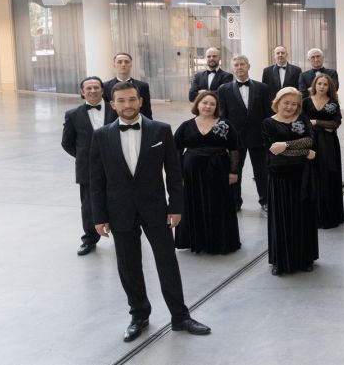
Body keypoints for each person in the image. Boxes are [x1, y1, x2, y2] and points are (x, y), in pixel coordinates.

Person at [89, 81, 210, 342]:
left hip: (156, 208)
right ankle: (139, 316)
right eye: (121, 100)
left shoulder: (161, 130)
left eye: (132, 99)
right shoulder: (101, 136)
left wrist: (175, 207)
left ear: (140, 101)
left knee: (167, 262)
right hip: (119, 210)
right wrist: (98, 216)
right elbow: (96, 180)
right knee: (128, 265)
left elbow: (174, 174)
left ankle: (180, 316)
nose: (127, 105)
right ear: (113, 104)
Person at [173, 91, 241, 254]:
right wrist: (178, 173)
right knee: (194, 204)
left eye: (212, 104)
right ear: (197, 104)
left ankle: (218, 242)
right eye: (205, 103)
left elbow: (234, 148)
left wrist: (233, 171)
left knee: (219, 204)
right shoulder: (186, 126)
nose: (208, 106)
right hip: (192, 173)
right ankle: (197, 241)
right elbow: (176, 150)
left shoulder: (225, 124)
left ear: (217, 107)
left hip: (218, 171)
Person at [262, 87, 319, 275]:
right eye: (286, 103)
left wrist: (285, 145)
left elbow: (310, 141)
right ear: (277, 102)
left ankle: (305, 259)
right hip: (280, 178)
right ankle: (281, 261)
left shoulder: (302, 119)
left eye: (294, 104)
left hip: (303, 176)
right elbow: (273, 151)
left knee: (303, 217)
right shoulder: (268, 123)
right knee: (282, 219)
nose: (290, 107)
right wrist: (304, 153)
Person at [62, 76, 116, 256]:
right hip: (87, 168)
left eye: (96, 87)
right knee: (88, 205)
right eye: (88, 88)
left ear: (102, 90)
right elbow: (67, 143)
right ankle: (90, 239)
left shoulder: (115, 109)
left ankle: (123, 236)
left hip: (115, 165)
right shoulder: (72, 114)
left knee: (119, 200)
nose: (93, 91)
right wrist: (86, 158)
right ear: (82, 92)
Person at [216, 55, 272, 214]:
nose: (239, 67)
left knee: (261, 171)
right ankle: (235, 202)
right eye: (236, 65)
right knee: (235, 171)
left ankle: (265, 200)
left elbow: (268, 113)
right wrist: (225, 138)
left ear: (248, 66)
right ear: (232, 68)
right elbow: (223, 115)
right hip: (235, 137)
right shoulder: (224, 89)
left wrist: (268, 135)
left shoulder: (262, 87)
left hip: (258, 137)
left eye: (242, 64)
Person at [302, 73, 344, 229]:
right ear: (314, 85)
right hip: (310, 142)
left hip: (328, 144)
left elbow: (336, 123)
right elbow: (302, 122)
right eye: (319, 83)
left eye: (325, 84)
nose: (322, 86)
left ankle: (329, 216)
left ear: (329, 87)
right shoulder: (306, 102)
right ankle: (313, 216)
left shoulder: (333, 103)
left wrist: (316, 122)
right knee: (311, 176)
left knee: (328, 175)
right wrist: (323, 125)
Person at [103, 52, 153, 119]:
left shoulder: (143, 86)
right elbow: (105, 112)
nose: (123, 64)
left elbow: (147, 111)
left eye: (126, 62)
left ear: (131, 64)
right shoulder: (105, 86)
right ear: (114, 65)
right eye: (119, 62)